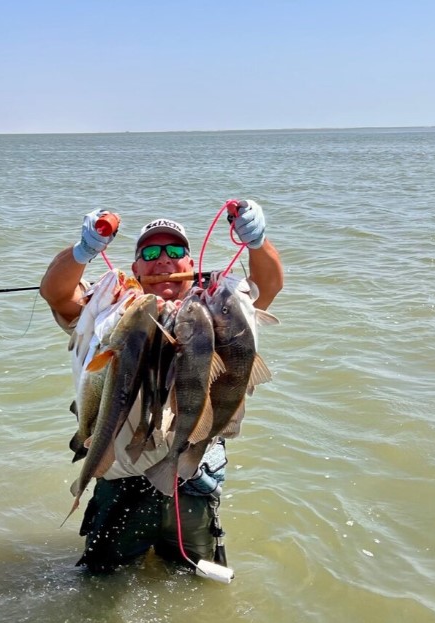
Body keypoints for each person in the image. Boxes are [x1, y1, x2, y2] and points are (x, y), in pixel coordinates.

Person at [40, 202, 283, 574]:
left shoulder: (217, 312)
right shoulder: (114, 310)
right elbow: (57, 294)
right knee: (101, 581)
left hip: (192, 479)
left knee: (193, 580)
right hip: (120, 478)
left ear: (189, 263)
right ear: (136, 267)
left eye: (175, 252)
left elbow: (268, 286)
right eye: (150, 253)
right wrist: (81, 251)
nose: (164, 260)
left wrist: (257, 242)